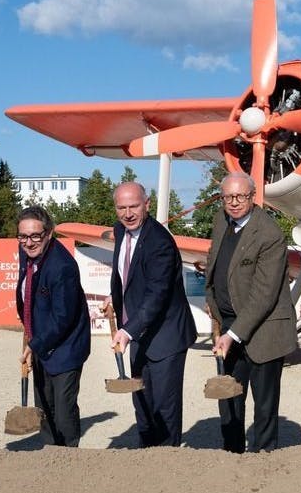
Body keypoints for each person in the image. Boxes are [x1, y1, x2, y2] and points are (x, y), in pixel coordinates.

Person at [204, 172, 297, 453]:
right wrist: (213, 300)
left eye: (240, 196)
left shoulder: (269, 234)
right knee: (228, 397)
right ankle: (232, 453)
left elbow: (263, 296)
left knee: (265, 405)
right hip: (230, 324)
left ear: (253, 197)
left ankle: (263, 460)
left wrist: (232, 334)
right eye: (227, 197)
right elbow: (214, 264)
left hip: (265, 330)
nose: (233, 203)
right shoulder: (222, 220)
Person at [108, 182, 196, 447]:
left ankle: (167, 463)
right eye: (121, 208)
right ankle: (146, 458)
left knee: (164, 408)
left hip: (166, 336)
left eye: (134, 206)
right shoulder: (121, 231)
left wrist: (127, 330)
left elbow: (157, 294)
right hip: (141, 332)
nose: (128, 213)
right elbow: (130, 278)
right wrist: (114, 301)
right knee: (143, 402)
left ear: (147, 204)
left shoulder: (160, 243)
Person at [15, 206, 90, 447]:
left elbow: (63, 317)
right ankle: (48, 454)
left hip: (66, 347)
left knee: (64, 409)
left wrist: (34, 344)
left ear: (48, 234)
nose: (28, 242)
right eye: (23, 236)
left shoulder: (62, 267)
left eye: (35, 236)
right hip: (41, 342)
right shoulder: (26, 251)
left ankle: (68, 459)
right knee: (44, 405)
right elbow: (28, 293)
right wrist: (29, 330)